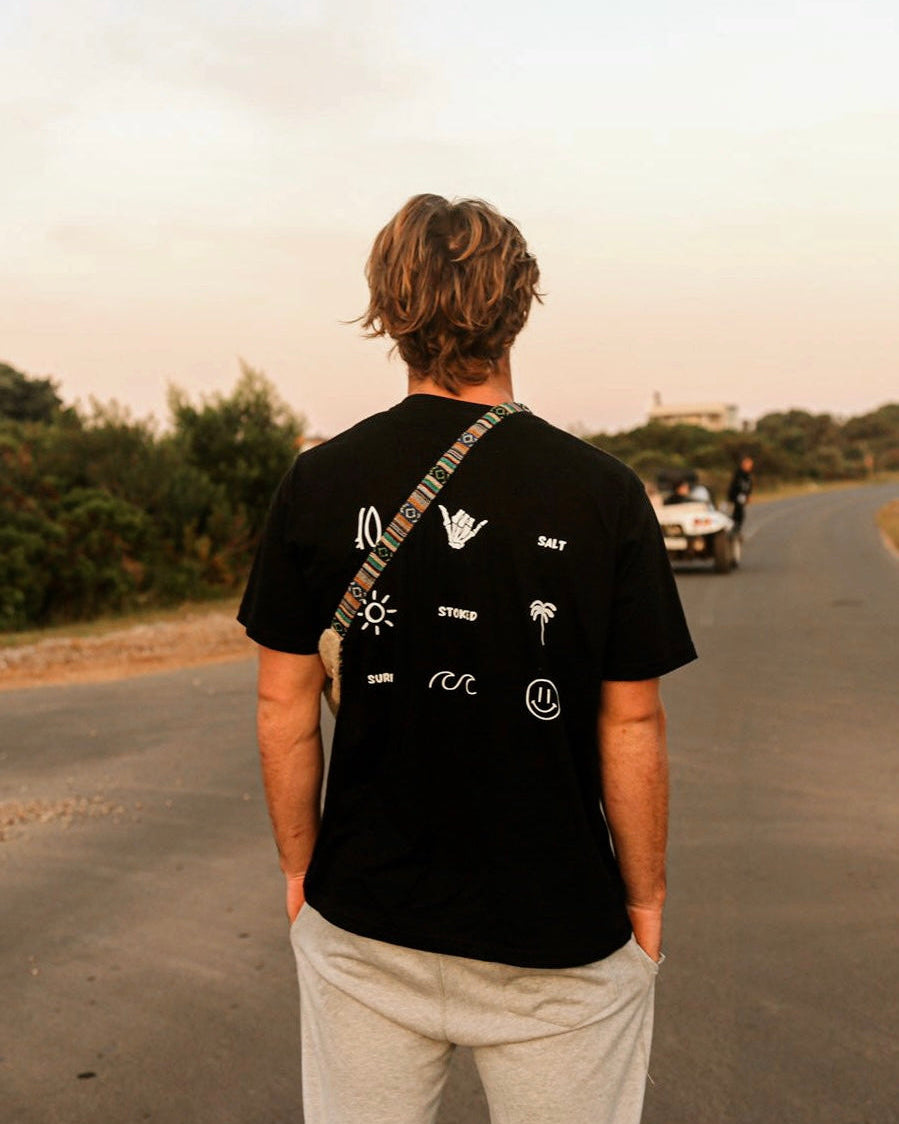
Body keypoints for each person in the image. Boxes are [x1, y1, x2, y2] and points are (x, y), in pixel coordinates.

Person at [238, 194, 697, 1124]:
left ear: (387, 307)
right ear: (518, 304)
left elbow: (283, 705)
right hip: (557, 933)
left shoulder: (317, 483)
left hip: (364, 921)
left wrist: (300, 876)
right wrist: (644, 902)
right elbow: (631, 718)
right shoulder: (603, 493)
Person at [727, 456, 754, 533]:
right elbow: (735, 486)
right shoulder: (738, 474)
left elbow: (749, 486)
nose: (750, 467)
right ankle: (733, 529)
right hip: (735, 497)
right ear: (743, 465)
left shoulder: (748, 475)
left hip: (741, 497)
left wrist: (748, 495)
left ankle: (735, 530)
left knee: (740, 514)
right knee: (737, 514)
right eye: (748, 465)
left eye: (751, 466)